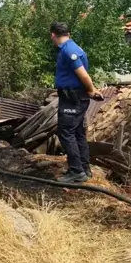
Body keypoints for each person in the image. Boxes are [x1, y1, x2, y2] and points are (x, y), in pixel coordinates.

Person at [51, 22, 103, 183]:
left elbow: (84, 75)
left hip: (72, 98)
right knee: (78, 132)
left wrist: (92, 90)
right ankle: (85, 169)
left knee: (66, 133)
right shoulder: (74, 47)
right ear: (69, 33)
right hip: (75, 97)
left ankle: (76, 171)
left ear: (53, 35)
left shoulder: (68, 50)